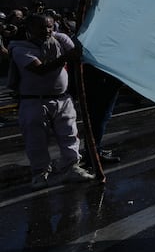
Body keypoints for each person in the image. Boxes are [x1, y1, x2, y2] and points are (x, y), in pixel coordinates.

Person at [9, 13, 96, 187]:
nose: (46, 31)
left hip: (62, 100)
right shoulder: (20, 48)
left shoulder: (60, 39)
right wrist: (66, 57)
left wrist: (78, 48)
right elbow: (40, 69)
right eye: (41, 27)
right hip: (34, 102)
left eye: (49, 26)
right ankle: (40, 173)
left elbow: (77, 53)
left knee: (69, 135)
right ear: (29, 29)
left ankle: (71, 166)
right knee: (36, 140)